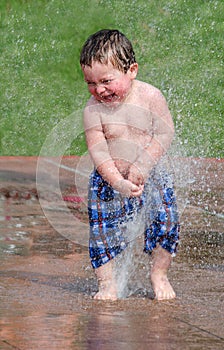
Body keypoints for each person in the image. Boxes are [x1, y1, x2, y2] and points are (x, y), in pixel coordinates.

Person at [80, 29, 180, 301]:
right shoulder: (93, 110)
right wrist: (117, 181)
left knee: (166, 223)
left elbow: (165, 132)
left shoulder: (150, 97)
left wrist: (145, 165)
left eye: (106, 80)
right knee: (102, 232)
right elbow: (98, 151)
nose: (99, 89)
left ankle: (159, 274)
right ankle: (107, 284)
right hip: (108, 178)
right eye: (90, 82)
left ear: (132, 70)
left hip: (153, 175)